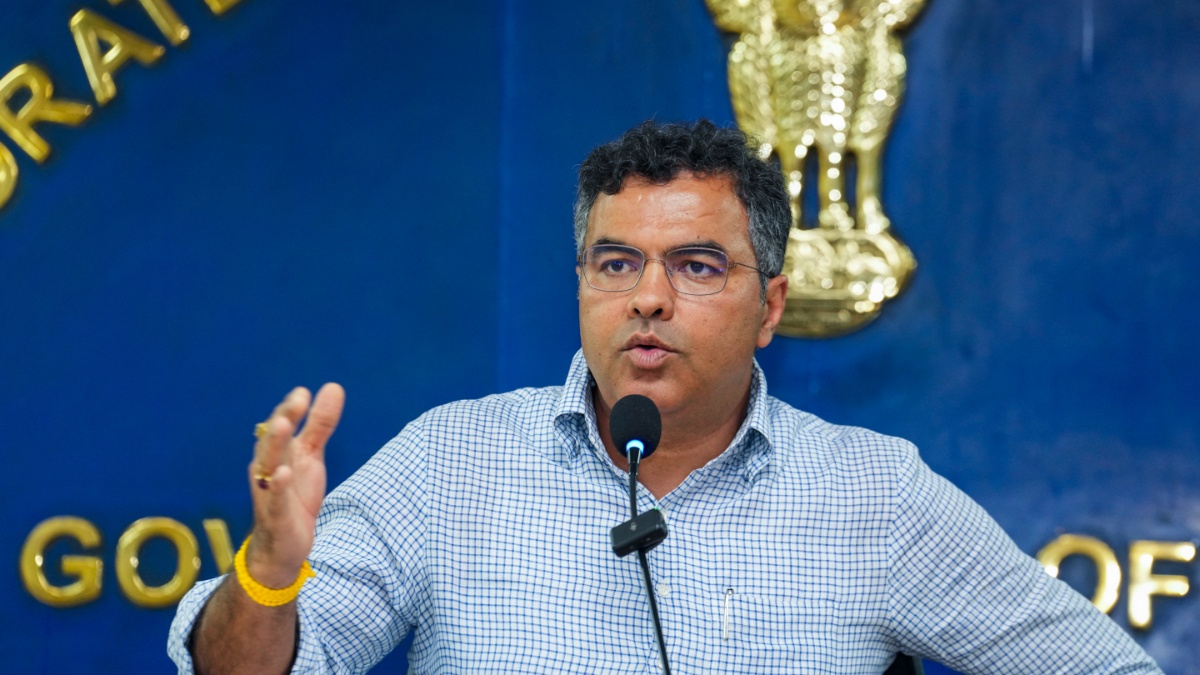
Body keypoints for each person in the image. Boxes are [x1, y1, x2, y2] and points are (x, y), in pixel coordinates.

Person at [169, 120, 1161, 674]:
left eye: (696, 265)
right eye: (616, 263)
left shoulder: (875, 495)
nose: (647, 297)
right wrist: (269, 576)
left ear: (771, 306)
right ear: (581, 286)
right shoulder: (450, 461)